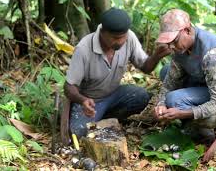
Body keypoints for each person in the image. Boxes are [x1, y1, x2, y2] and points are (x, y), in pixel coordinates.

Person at [153, 9, 216, 151]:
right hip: (209, 85)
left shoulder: (214, 54)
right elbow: (170, 81)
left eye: (174, 41)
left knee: (174, 100)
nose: (171, 47)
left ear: (187, 31)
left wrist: (185, 113)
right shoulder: (180, 48)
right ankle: (199, 129)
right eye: (168, 43)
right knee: (165, 72)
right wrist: (160, 104)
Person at [65, 8, 171, 138]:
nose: (121, 41)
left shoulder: (129, 37)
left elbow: (145, 67)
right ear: (102, 33)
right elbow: (69, 88)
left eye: (123, 37)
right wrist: (83, 100)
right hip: (90, 101)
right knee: (78, 133)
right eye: (115, 38)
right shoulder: (84, 49)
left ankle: (105, 118)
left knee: (141, 96)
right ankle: (98, 118)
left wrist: (156, 56)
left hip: (113, 95)